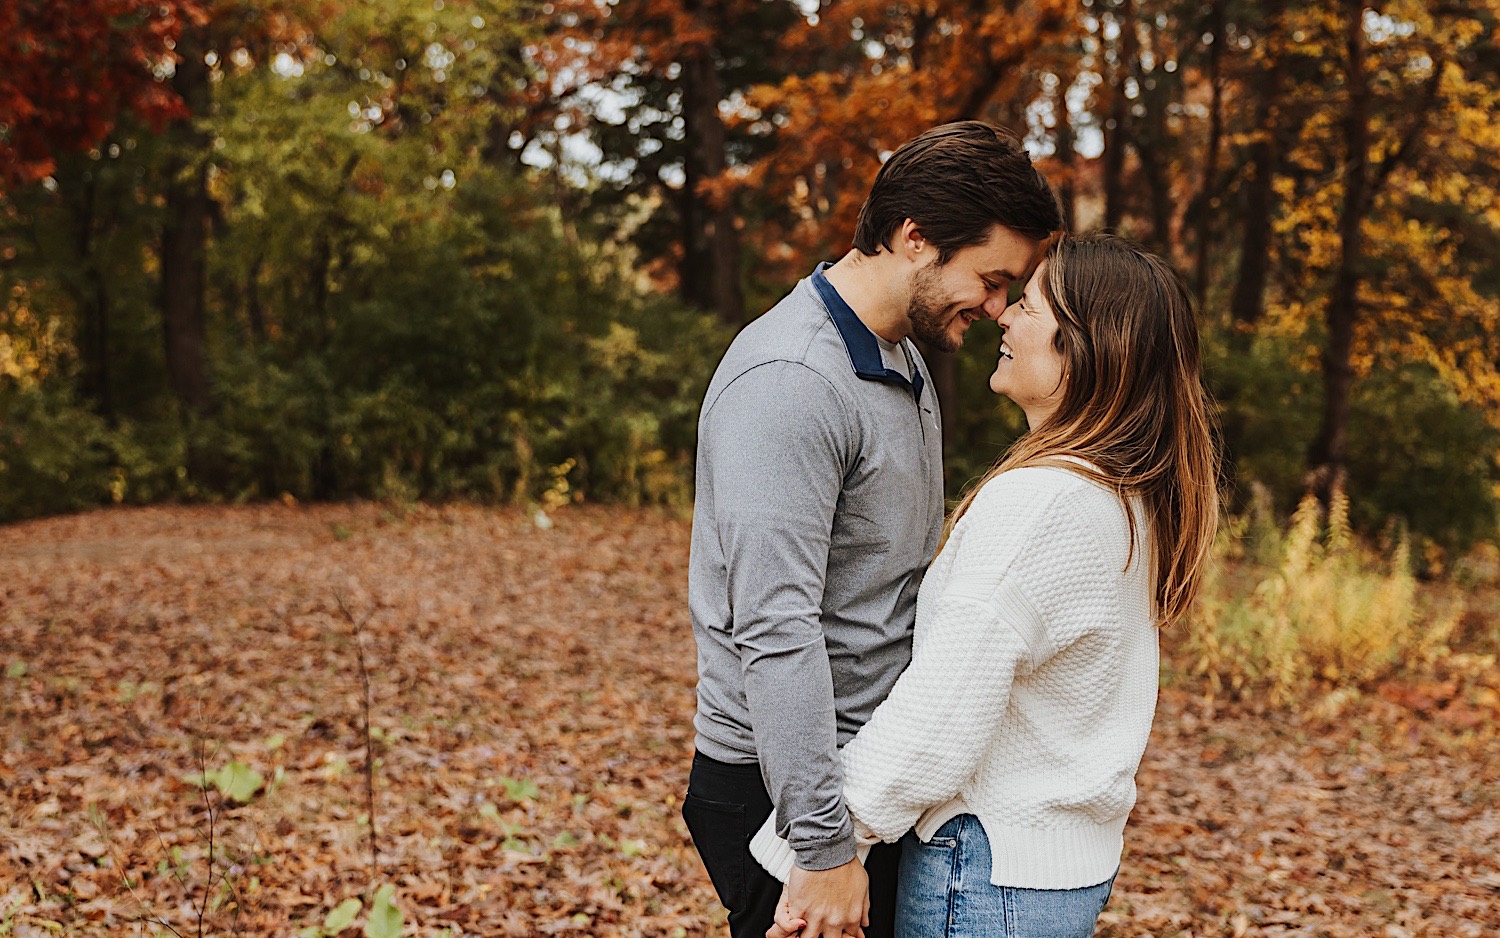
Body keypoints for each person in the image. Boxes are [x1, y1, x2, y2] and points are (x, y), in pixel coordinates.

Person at [753, 232, 1221, 938]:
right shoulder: (1118, 495)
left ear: (1085, 346)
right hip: (1048, 873)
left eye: (1030, 304)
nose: (1003, 316)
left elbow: (942, 712)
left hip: (984, 873)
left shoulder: (1043, 504)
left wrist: (822, 847)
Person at [683, 121, 1064, 938]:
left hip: (864, 777)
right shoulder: (790, 382)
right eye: (991, 278)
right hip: (784, 792)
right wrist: (821, 849)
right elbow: (776, 630)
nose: (998, 307)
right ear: (914, 237)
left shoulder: (903, 357)